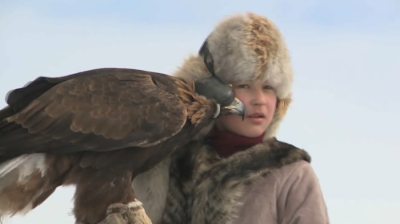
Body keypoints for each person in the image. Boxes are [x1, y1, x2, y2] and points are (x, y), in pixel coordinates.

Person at [132, 12, 330, 224]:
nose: (260, 100)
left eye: (269, 88)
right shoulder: (165, 163)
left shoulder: (294, 176)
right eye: (244, 85)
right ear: (211, 90)